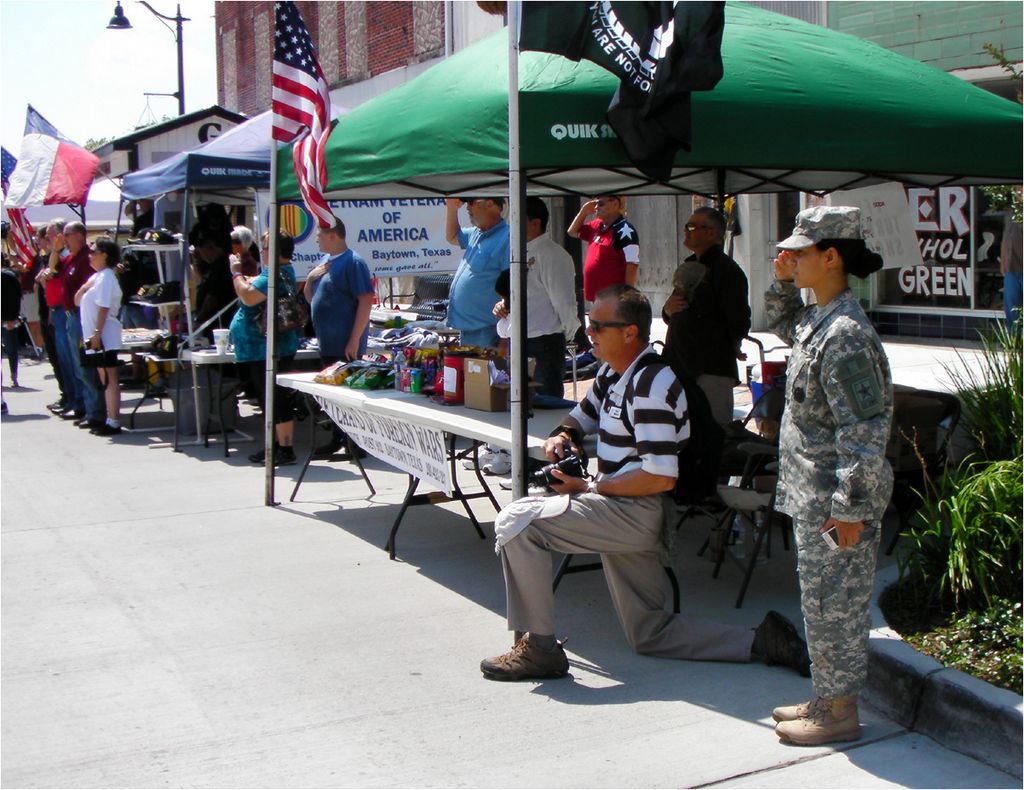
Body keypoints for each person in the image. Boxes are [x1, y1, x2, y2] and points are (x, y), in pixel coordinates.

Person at [479, 284, 810, 682]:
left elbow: (659, 474)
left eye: (598, 327)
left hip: (635, 509)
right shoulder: (615, 373)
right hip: (624, 504)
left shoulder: (651, 387)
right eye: (589, 325)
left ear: (630, 333)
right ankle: (762, 641)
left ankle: (541, 649)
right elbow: (582, 415)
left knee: (517, 524)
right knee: (650, 633)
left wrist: (587, 488)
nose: (590, 335)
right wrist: (563, 435)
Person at [764, 206, 893, 746]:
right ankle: (826, 696)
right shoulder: (821, 320)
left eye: (801, 251)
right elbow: (780, 324)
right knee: (819, 604)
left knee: (836, 607)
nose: (790, 257)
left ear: (832, 256)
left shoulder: (845, 335)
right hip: (811, 493)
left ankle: (839, 711)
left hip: (835, 499)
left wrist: (849, 507)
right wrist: (781, 283)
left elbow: (864, 432)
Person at [661, 206, 751, 425]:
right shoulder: (690, 265)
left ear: (711, 233)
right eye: (686, 226)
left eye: (692, 227)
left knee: (714, 432)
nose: (686, 231)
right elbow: (673, 310)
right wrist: (666, 310)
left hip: (710, 368)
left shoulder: (728, 271)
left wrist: (732, 344)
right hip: (679, 363)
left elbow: (739, 321)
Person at [492, 196, 579, 398]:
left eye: (516, 219)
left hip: (544, 342)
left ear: (535, 222)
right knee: (521, 402)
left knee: (545, 402)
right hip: (519, 338)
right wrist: (503, 306)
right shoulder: (520, 252)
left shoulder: (553, 255)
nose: (511, 225)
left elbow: (564, 302)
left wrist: (567, 334)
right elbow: (522, 295)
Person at [303, 218, 374, 458]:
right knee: (332, 395)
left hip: (345, 344)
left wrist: (354, 339)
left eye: (320, 234)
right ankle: (337, 437)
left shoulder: (353, 262)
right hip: (327, 341)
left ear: (333, 235)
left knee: (347, 394)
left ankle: (355, 442)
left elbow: (365, 300)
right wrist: (312, 277)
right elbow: (311, 297)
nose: (316, 239)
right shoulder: (325, 262)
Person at [230, 230, 300, 466]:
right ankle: (275, 445)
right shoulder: (280, 272)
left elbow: (249, 297)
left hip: (269, 348)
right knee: (268, 398)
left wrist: (236, 274)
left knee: (275, 398)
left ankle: (285, 449)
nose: (263, 251)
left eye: (266, 248)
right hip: (267, 347)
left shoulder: (275, 273)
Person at [56, 222, 106, 430]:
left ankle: (95, 412)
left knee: (85, 366)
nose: (64, 238)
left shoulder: (87, 259)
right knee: (78, 366)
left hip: (81, 317)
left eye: (67, 234)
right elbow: (54, 271)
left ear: (79, 235)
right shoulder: (71, 258)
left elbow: (94, 291)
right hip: (71, 315)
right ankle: (88, 408)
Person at [75, 237, 124, 437]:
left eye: (93, 251)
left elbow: (104, 307)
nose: (90, 255)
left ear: (104, 255)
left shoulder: (106, 277)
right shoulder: (98, 277)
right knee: (103, 378)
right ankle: (108, 417)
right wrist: (86, 286)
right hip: (95, 335)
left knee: (110, 378)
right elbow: (77, 300)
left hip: (104, 335)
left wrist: (97, 334)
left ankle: (113, 420)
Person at [445, 196, 510, 348]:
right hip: (468, 330)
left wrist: (505, 338)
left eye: (472, 202)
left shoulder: (508, 237)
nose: (468, 208)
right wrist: (451, 209)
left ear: (490, 203)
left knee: (488, 372)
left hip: (489, 332)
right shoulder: (476, 233)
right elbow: (452, 237)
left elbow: (513, 282)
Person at [37, 220, 79, 416]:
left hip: (66, 310)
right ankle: (70, 399)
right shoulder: (57, 254)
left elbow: (54, 274)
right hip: (56, 310)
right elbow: (50, 274)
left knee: (71, 361)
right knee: (62, 360)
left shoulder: (68, 256)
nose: (48, 240)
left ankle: (77, 402)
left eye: (51, 235)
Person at [567, 194, 640, 303]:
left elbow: (632, 264)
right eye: (595, 204)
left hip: (614, 300)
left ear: (615, 204)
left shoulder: (625, 231)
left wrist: (628, 297)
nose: (596, 207)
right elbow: (572, 232)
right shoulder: (596, 226)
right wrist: (584, 211)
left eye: (600, 204)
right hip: (596, 300)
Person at [191, 225, 236, 336]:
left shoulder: (222, 266)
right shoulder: (212, 266)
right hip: (211, 322)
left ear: (210, 247)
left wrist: (199, 318)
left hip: (218, 322)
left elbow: (212, 297)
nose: (200, 256)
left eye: (200, 252)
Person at [1, 251, 22, 389]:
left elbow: (16, 298)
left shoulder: (8, 277)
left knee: (10, 348)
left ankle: (14, 375)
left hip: (7, 317)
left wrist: (12, 318)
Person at [1000, 210, 1022, 329]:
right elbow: (1005, 239)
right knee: (1011, 310)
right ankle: (1013, 343)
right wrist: (1003, 262)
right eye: (1017, 189)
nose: (1020, 191)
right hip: (1011, 270)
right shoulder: (1009, 213)